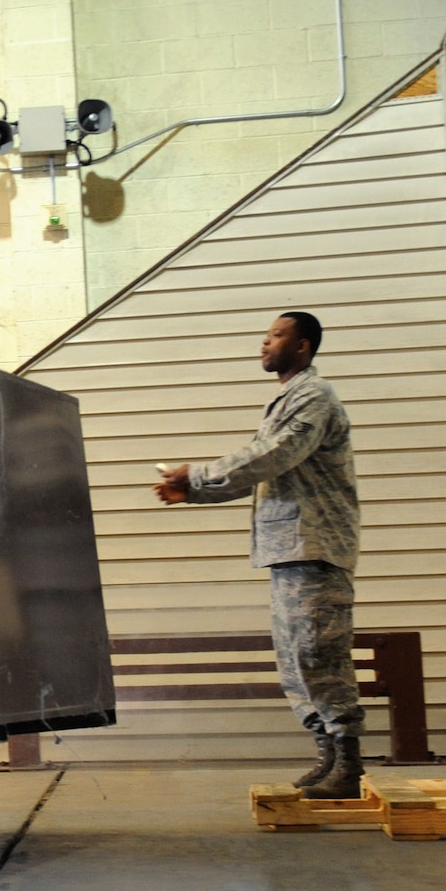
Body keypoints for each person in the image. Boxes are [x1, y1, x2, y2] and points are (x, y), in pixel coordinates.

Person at [153, 311, 363, 798]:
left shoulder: (314, 396)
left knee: (319, 653)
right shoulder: (286, 400)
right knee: (296, 659)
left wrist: (197, 475)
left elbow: (275, 455)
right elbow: (261, 468)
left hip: (317, 545)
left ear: (303, 347)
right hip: (291, 548)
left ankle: (349, 766)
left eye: (274, 336)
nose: (263, 344)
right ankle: (327, 755)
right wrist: (196, 492)